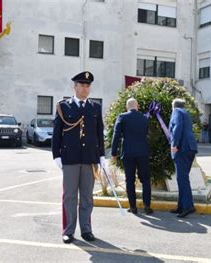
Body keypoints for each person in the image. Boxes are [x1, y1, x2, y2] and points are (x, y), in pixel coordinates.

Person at [52, 71, 107, 243]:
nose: (85, 88)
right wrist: (56, 155)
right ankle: (68, 231)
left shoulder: (95, 107)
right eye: (82, 85)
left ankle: (86, 230)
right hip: (70, 158)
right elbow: (56, 134)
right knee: (69, 196)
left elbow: (99, 134)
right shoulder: (63, 106)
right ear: (74, 87)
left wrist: (102, 156)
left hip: (90, 159)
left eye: (88, 85)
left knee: (87, 197)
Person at [111, 98, 152, 215]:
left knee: (130, 180)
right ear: (137, 106)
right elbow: (146, 133)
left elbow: (116, 135)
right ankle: (147, 206)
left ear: (126, 107)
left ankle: (133, 207)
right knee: (145, 179)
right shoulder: (144, 118)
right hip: (143, 152)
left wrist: (114, 152)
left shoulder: (122, 117)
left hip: (128, 152)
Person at [168, 98, 198, 218]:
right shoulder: (185, 113)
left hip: (182, 148)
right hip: (190, 148)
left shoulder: (176, 112)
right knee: (183, 178)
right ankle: (181, 206)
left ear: (173, 106)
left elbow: (177, 127)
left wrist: (174, 144)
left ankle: (188, 207)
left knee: (182, 178)